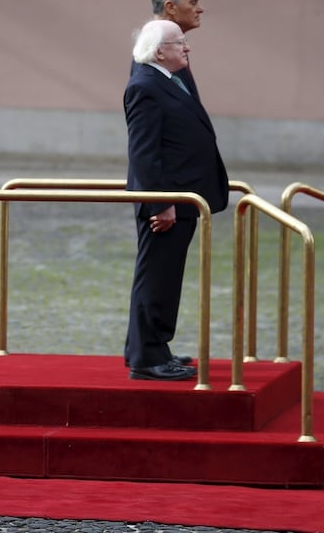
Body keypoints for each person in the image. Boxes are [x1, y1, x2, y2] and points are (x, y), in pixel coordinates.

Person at [123, 19, 229, 381]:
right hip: (167, 201)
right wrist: (161, 202)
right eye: (179, 43)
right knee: (155, 278)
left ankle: (156, 348)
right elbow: (144, 153)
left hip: (180, 198)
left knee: (165, 278)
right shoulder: (145, 86)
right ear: (158, 52)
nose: (187, 48)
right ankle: (147, 358)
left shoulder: (166, 81)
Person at [134, 0, 205, 98]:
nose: (200, 9)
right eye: (193, 3)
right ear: (170, 7)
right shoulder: (150, 55)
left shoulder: (171, 47)